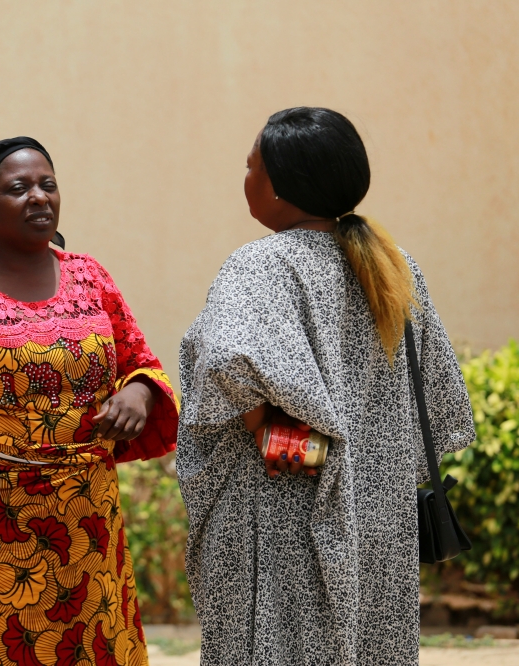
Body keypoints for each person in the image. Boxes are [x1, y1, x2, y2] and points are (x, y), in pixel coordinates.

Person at [177, 107, 475, 665]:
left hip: (285, 513)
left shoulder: (260, 265)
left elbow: (227, 364)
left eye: (251, 167)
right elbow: (438, 399)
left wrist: (283, 440)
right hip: (379, 514)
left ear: (282, 187)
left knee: (279, 647)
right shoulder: (395, 264)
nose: (245, 178)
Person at [0, 137, 179, 665]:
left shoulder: (91, 277)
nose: (39, 198)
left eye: (47, 185)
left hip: (92, 528)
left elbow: (142, 363)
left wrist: (137, 392)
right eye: (18, 188)